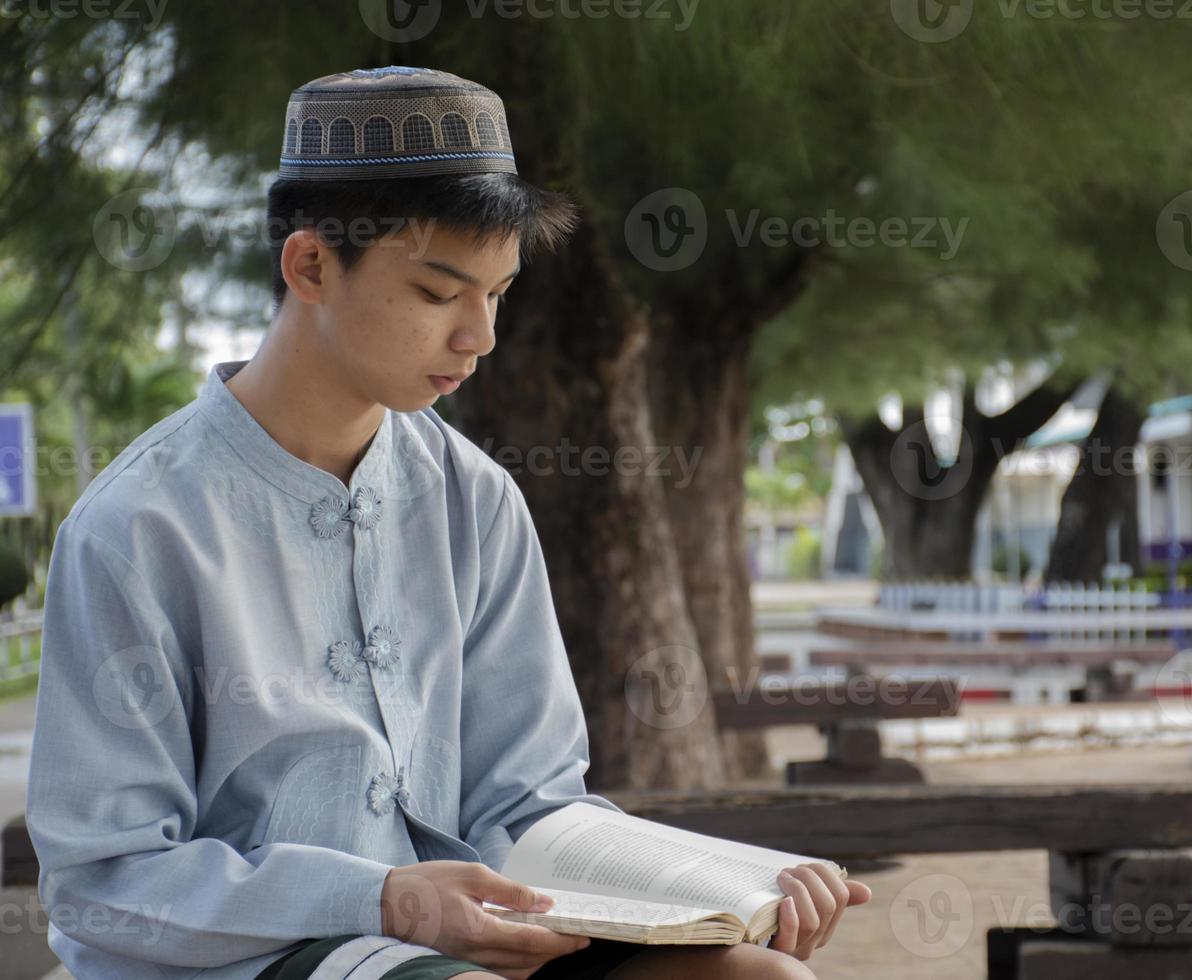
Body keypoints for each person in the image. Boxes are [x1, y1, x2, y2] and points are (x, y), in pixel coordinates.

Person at [25, 65, 869, 980]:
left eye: (498, 293)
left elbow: (529, 798)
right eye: (438, 294)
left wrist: (728, 883)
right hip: (248, 957)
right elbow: (105, 878)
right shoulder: (138, 526)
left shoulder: (475, 499)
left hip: (473, 934)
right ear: (310, 265)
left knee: (766, 979)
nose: (480, 336)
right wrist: (382, 898)